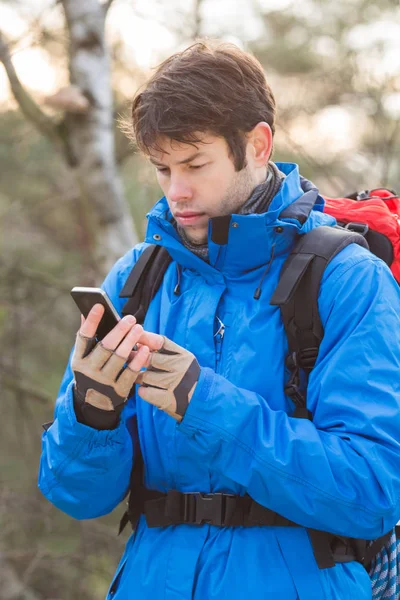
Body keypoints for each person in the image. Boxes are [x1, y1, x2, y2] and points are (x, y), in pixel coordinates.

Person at [39, 41, 400, 599]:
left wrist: (204, 404)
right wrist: (91, 414)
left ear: (258, 144)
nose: (176, 192)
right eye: (162, 168)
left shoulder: (347, 278)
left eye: (195, 164)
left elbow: (372, 491)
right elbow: (74, 496)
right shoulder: (139, 277)